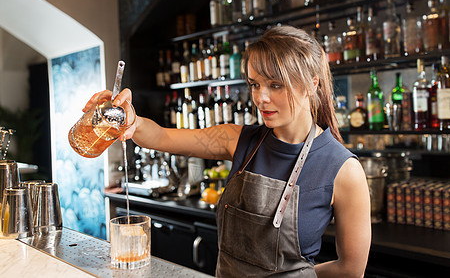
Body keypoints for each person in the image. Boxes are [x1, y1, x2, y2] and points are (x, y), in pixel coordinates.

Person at [84, 25, 371, 277]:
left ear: (312, 84)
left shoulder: (343, 169)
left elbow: (351, 269)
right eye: (254, 84)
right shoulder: (238, 141)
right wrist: (129, 118)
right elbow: (159, 136)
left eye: (275, 84)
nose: (261, 98)